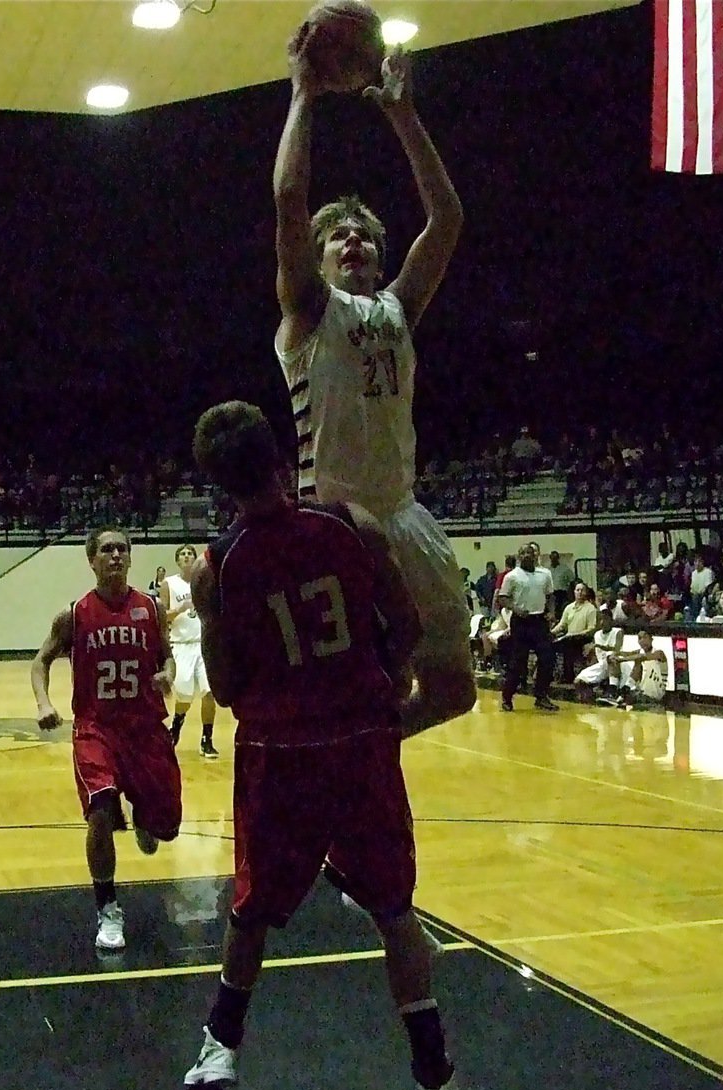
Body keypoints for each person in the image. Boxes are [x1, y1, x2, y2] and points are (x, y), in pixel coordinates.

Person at [182, 401, 467, 1090]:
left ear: (219, 485)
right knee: (395, 913)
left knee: (252, 912)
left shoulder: (222, 565)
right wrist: (376, 684)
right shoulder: (353, 526)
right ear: (283, 462)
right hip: (358, 745)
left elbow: (226, 688)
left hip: (280, 754)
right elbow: (406, 627)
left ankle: (221, 1046)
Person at [272, 31, 474, 738]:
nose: (354, 240)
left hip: (404, 514)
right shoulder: (308, 310)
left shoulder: (398, 308)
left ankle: (363, 752)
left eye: (364, 234)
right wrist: (302, 95)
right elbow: (290, 199)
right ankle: (336, 784)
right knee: (344, 685)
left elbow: (447, 219)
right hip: (331, 526)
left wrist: (403, 114)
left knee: (454, 691)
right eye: (340, 236)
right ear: (318, 258)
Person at [30, 527, 181, 952]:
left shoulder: (150, 608)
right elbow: (39, 662)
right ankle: (108, 907)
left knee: (166, 830)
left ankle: (147, 818)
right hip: (97, 728)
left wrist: (167, 673)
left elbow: (165, 655)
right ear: (91, 560)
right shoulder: (75, 614)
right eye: (107, 549)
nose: (115, 555)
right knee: (99, 809)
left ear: (130, 558)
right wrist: (43, 703)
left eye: (122, 549)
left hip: (147, 729)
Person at [162, 544, 219, 758]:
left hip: (203, 643)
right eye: (183, 554)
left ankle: (207, 739)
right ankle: (177, 723)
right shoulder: (169, 584)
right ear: (177, 561)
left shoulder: (204, 581)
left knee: (209, 692)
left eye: (190, 554)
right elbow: (163, 616)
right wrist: (179, 609)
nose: (187, 557)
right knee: (184, 697)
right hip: (181, 645)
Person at [497, 544, 558, 711]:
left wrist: (551, 612)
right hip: (521, 621)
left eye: (529, 553)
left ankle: (541, 696)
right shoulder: (512, 576)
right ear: (518, 556)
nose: (526, 555)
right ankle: (507, 697)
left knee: (547, 658)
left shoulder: (545, 574)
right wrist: (515, 608)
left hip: (539, 621)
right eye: (523, 553)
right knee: (518, 662)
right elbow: (503, 598)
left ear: (535, 555)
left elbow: (550, 596)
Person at [573, 607, 624, 704]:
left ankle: (612, 693)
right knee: (578, 681)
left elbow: (617, 650)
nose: (602, 622)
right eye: (600, 619)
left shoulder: (618, 631)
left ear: (611, 620)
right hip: (603, 665)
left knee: (611, 656)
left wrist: (598, 645)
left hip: (617, 664)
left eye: (605, 619)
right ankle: (591, 702)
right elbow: (597, 656)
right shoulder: (597, 634)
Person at [550, 580, 597, 683]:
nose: (580, 592)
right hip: (569, 637)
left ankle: (568, 676)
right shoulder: (569, 607)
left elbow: (591, 629)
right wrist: (551, 633)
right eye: (577, 590)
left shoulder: (590, 608)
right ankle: (552, 675)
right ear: (574, 592)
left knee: (569, 645)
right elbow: (562, 625)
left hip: (583, 637)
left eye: (582, 590)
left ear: (586, 593)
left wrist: (576, 634)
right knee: (550, 644)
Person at [608, 630, 668, 709]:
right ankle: (616, 692)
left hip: (657, 694)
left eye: (645, 637)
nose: (642, 640)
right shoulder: (639, 652)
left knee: (638, 659)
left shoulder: (659, 653)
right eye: (640, 638)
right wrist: (614, 654)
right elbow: (625, 653)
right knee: (610, 658)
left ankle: (624, 692)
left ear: (651, 639)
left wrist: (621, 660)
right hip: (643, 694)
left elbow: (641, 657)